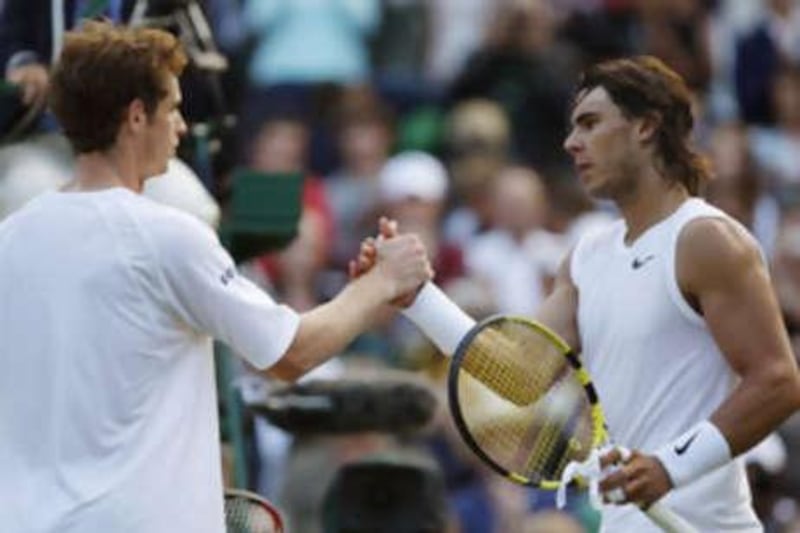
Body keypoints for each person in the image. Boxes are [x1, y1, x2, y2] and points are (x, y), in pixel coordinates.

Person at [0, 22, 432, 533]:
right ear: (137, 117)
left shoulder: (10, 237)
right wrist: (381, 283)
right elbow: (292, 353)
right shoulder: (168, 236)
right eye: (174, 108)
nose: (182, 127)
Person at [355, 56, 800, 531]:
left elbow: (778, 382)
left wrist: (669, 466)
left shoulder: (707, 239)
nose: (571, 143)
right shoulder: (587, 256)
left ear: (646, 127)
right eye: (572, 128)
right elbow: (515, 375)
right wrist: (418, 298)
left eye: (590, 124)